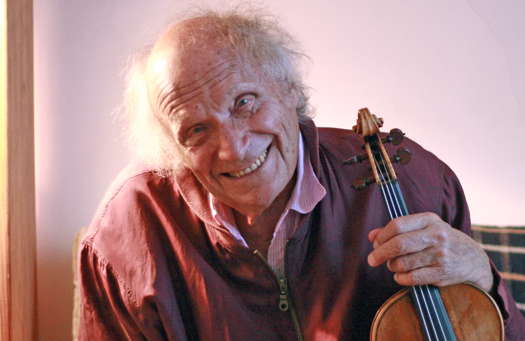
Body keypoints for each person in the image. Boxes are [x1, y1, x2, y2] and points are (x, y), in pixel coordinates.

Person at [78, 9, 525, 341]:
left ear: (290, 91)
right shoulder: (125, 233)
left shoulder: (416, 180)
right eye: (197, 129)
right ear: (171, 150)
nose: (233, 148)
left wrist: (482, 277)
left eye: (245, 102)